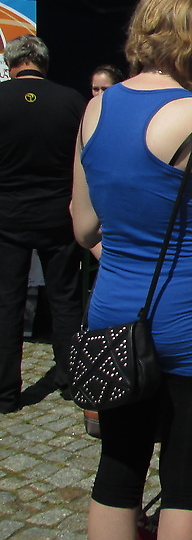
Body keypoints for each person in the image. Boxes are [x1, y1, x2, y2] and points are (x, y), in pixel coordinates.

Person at [71, 0, 192, 540]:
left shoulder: (96, 109)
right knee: (187, 480)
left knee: (118, 467)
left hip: (114, 312)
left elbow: (84, 227)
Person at [0, 34, 85, 413]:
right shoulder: (71, 101)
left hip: (8, 215)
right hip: (58, 213)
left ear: (10, 65)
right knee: (65, 299)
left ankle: (5, 393)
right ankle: (71, 380)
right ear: (44, 64)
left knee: (7, 302)